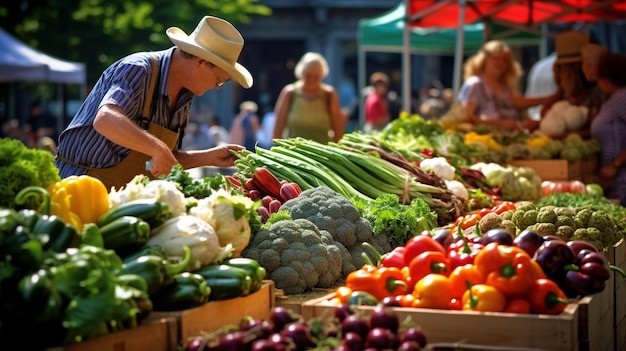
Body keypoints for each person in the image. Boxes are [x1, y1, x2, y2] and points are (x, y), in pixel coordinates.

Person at [54, 16, 252, 190]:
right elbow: (105, 119)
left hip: (125, 202)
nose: (218, 87)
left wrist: (208, 157)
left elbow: (162, 160)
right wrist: (158, 148)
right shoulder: (138, 69)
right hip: (78, 185)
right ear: (200, 62)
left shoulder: (185, 95)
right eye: (219, 80)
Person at [458, 40, 561, 131]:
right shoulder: (475, 84)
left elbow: (516, 102)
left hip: (509, 137)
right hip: (487, 139)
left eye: (505, 60)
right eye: (496, 58)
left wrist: (549, 99)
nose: (501, 63)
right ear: (484, 59)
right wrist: (501, 123)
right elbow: (468, 116)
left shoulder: (503, 85)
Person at [273, 52, 344, 144]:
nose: (311, 79)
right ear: (301, 73)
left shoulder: (329, 94)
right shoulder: (289, 93)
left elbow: (338, 132)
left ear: (322, 75)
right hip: (294, 155)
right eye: (308, 75)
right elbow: (277, 131)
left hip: (322, 155)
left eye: (316, 76)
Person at [590, 52, 626, 206]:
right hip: (616, 182)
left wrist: (615, 164)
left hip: (623, 180)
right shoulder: (613, 99)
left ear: (607, 77)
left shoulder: (622, 97)